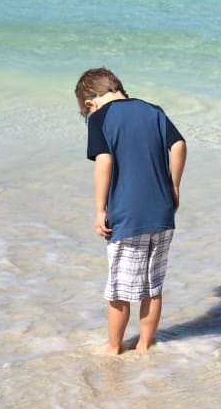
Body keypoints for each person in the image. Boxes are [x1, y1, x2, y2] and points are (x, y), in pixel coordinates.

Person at [75, 68, 187, 354]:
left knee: (119, 292)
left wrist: (99, 209)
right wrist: (174, 187)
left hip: (127, 216)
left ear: (90, 102)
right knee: (153, 287)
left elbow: (104, 161)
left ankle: (114, 349)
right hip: (162, 214)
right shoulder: (153, 111)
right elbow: (179, 145)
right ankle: (145, 346)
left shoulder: (100, 117)